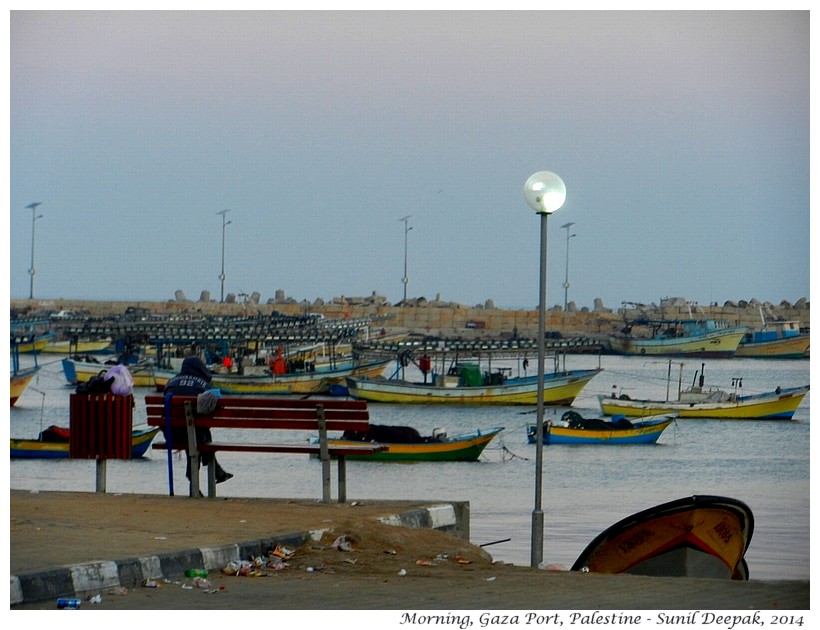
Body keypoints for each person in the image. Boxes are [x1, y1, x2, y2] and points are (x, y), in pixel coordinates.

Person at [163, 356, 233, 484]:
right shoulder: (203, 385)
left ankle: (213, 474)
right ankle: (215, 472)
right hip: (196, 435)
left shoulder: (170, 383)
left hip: (172, 434)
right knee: (200, 434)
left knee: (192, 433)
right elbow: (219, 405)